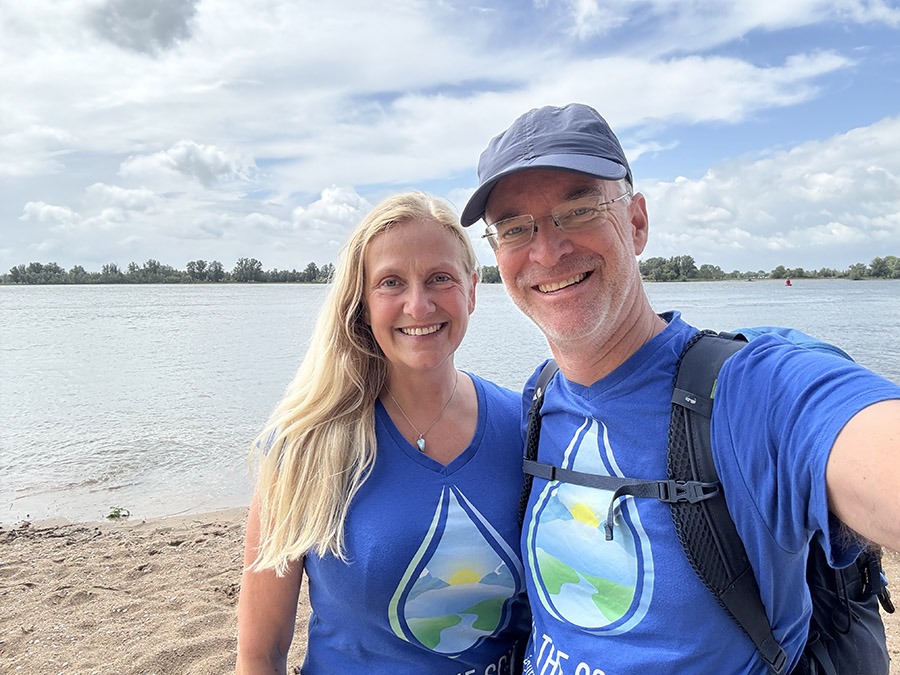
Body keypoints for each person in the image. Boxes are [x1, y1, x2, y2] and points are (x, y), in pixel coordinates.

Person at [460, 103, 900, 674]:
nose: (547, 251)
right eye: (516, 228)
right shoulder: (539, 400)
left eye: (580, 209)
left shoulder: (748, 392)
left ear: (637, 223)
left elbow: (852, 434)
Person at [236, 192, 530, 674]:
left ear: (472, 290)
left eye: (440, 278)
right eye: (391, 283)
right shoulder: (302, 448)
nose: (419, 304)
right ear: (363, 304)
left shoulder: (526, 427)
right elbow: (259, 655)